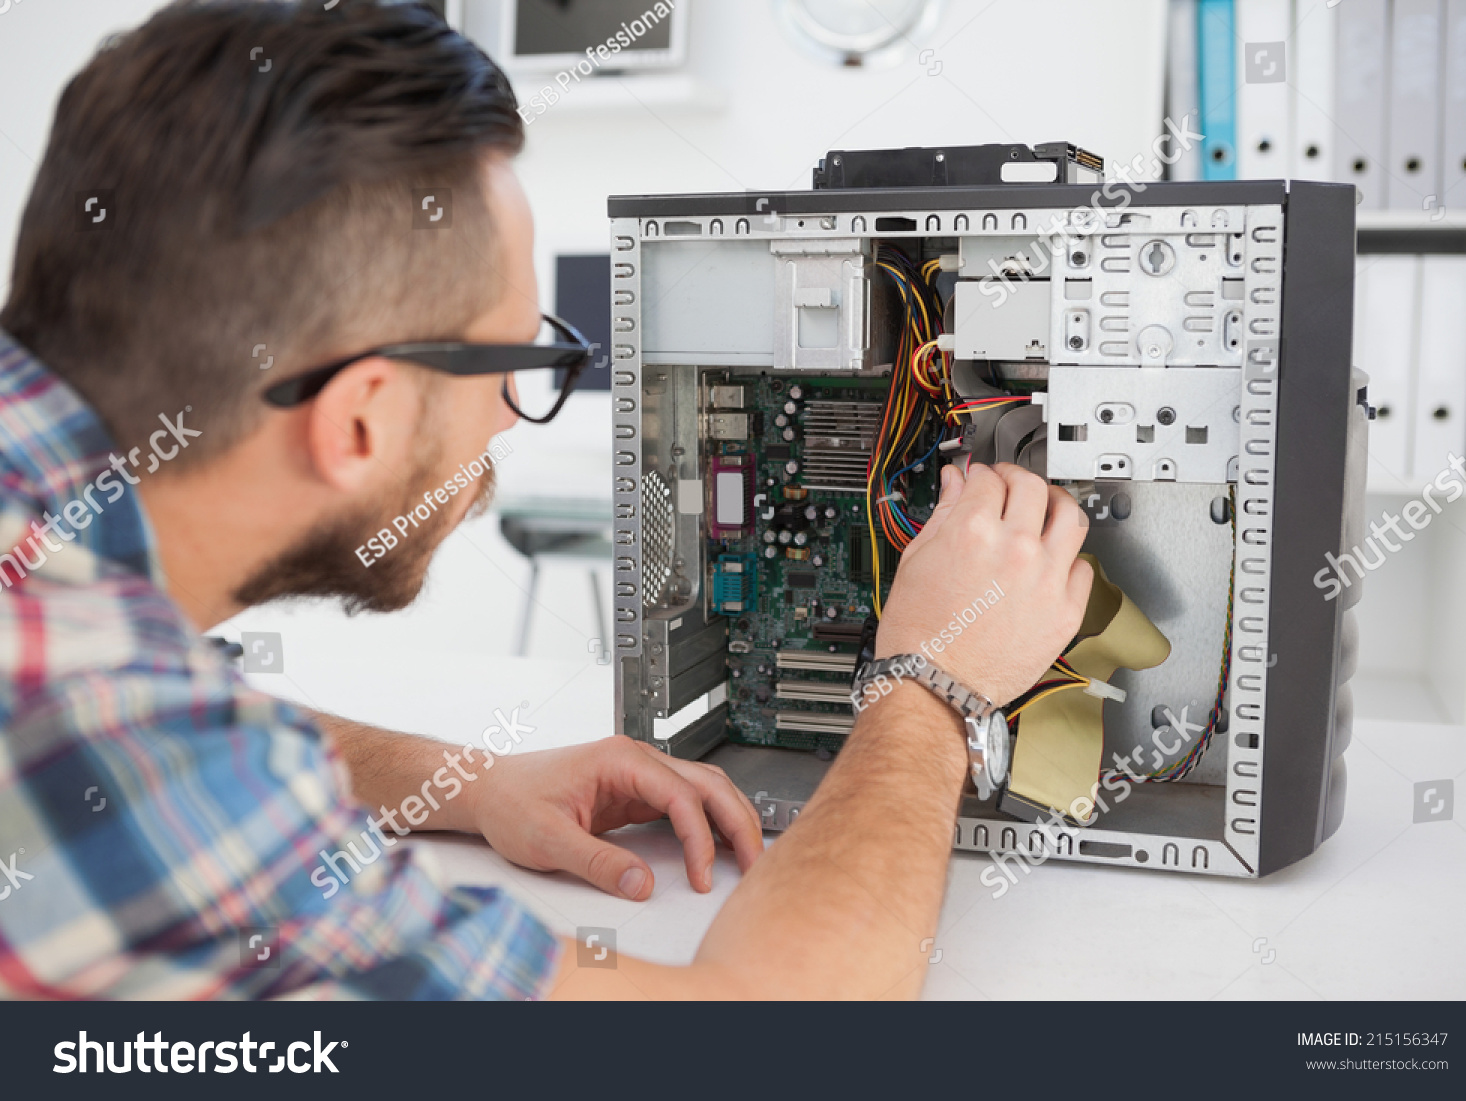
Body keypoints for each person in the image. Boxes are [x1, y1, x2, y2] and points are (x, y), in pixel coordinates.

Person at [0, 0, 1091, 1000]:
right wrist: (932, 686)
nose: (514, 422)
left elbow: (164, 719)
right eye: (521, 365)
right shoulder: (133, 767)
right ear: (362, 420)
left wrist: (464, 784)